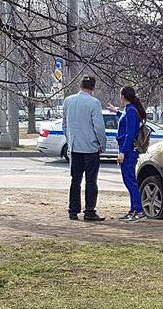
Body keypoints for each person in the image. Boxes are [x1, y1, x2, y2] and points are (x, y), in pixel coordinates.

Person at [62, 75, 107, 221]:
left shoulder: (68, 101)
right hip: (90, 148)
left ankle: (73, 210)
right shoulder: (94, 103)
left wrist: (70, 140)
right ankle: (89, 211)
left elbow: (64, 125)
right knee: (91, 181)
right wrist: (102, 144)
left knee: (75, 180)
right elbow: (99, 127)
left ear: (80, 86)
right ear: (93, 88)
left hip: (74, 147)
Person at [108, 86, 146, 222]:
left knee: (129, 181)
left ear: (123, 96)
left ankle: (139, 210)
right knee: (129, 180)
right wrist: (116, 112)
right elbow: (126, 122)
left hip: (128, 150)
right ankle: (133, 209)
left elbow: (130, 133)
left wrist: (122, 152)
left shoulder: (130, 111)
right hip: (128, 149)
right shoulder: (130, 110)